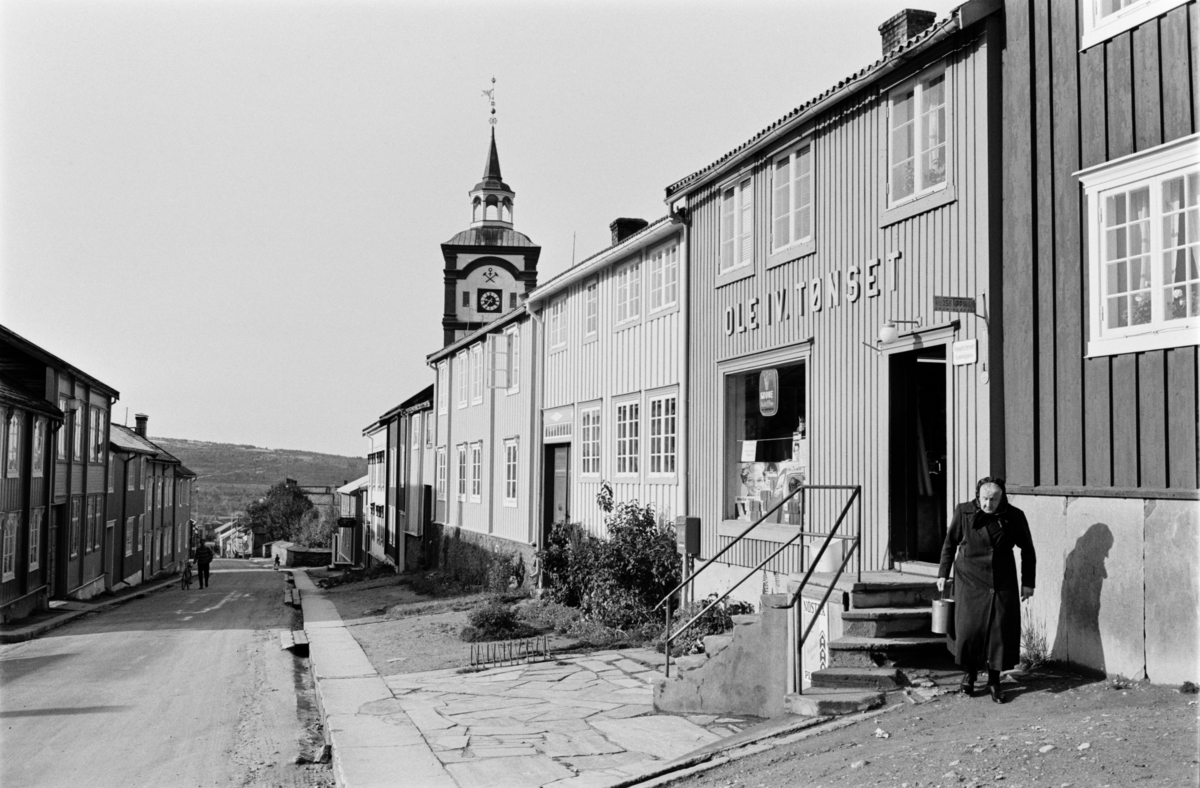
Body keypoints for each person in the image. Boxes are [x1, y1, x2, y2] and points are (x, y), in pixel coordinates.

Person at [936, 477, 1036, 704]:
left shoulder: (1014, 516)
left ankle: (994, 681)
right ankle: (969, 675)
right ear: (977, 495)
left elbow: (1027, 550)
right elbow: (950, 543)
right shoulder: (964, 512)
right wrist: (943, 573)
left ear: (1002, 499)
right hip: (970, 580)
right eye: (984, 499)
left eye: (993, 499)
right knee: (969, 630)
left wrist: (1028, 582)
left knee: (998, 633)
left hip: (1002, 582)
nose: (988, 504)